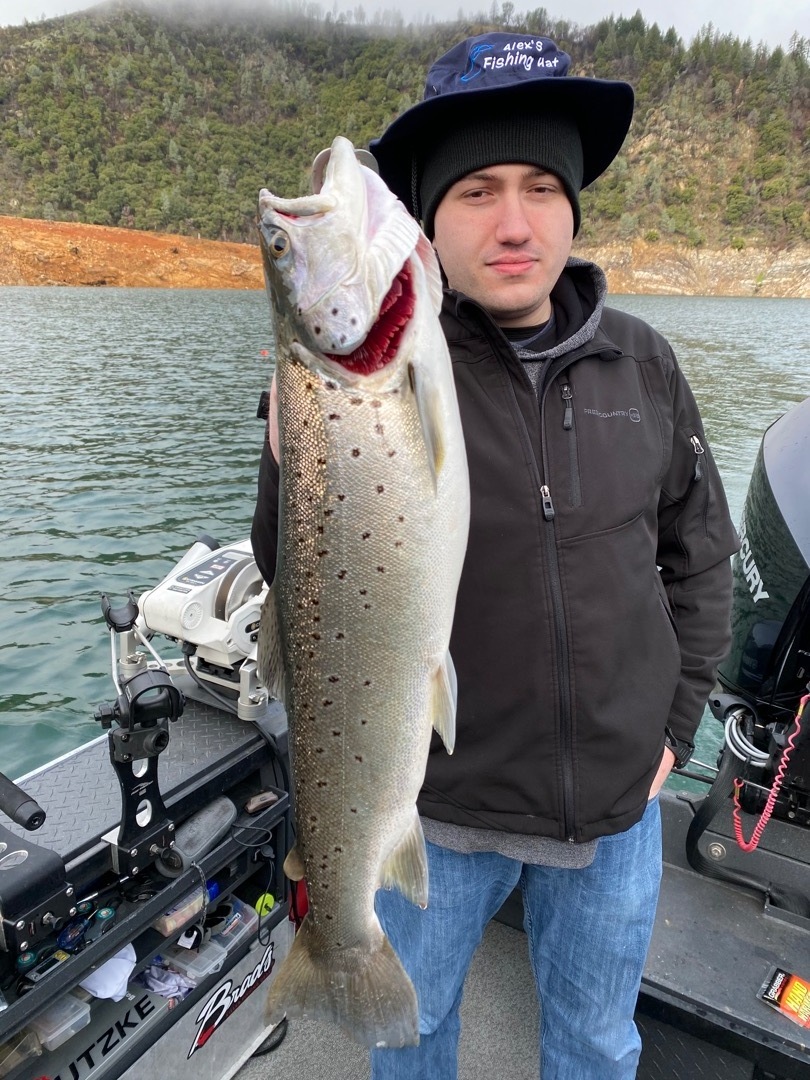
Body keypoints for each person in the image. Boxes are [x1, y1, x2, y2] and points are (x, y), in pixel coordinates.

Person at [251, 32, 740, 1080]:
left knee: (599, 1046)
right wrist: (286, 452)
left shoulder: (645, 363)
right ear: (425, 224)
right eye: (476, 190)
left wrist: (676, 730)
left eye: (538, 187)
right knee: (414, 1041)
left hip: (613, 813)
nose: (514, 223)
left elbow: (700, 560)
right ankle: (338, 947)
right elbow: (296, 578)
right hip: (437, 800)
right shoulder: (368, 374)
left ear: (572, 205)